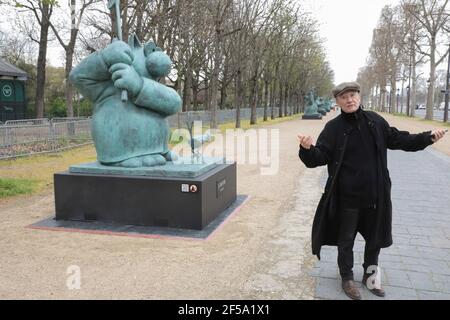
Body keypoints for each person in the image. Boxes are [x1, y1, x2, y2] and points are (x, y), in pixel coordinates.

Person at [297, 82, 446, 300]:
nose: (350, 99)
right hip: (347, 198)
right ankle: (347, 278)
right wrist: (307, 149)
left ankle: (370, 275)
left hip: (376, 196)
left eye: (353, 95)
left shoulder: (375, 121)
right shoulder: (333, 128)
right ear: (337, 102)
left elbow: (399, 139)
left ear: (359, 96)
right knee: (345, 240)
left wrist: (427, 137)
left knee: (375, 240)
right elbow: (319, 157)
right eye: (344, 96)